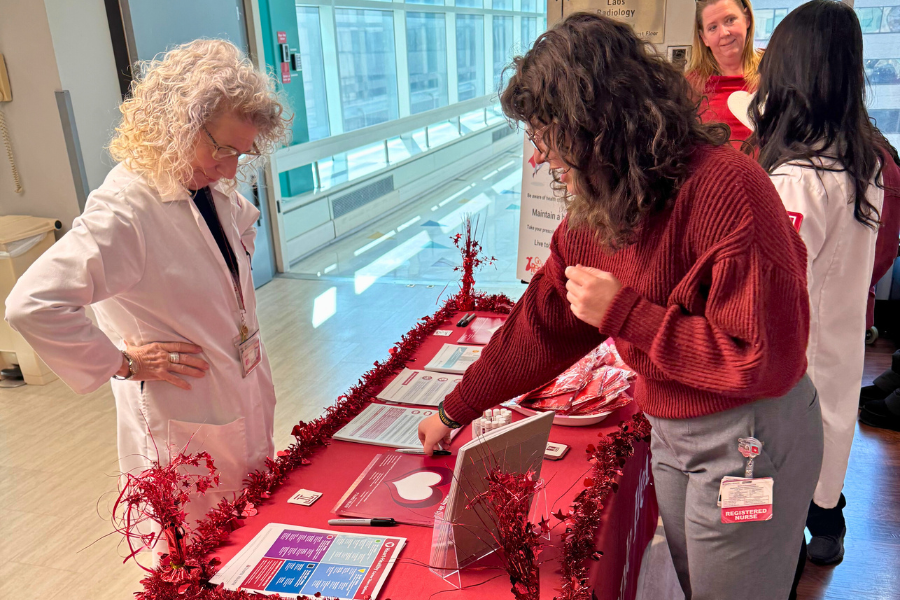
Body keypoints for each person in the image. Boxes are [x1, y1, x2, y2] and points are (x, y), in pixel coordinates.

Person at [419, 13, 822, 599]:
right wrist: (454, 410)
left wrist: (627, 314)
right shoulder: (603, 200)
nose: (538, 158)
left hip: (749, 433)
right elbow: (541, 327)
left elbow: (766, 359)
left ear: (599, 127)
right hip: (674, 427)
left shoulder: (727, 189)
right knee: (699, 585)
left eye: (548, 138)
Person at [5, 40, 289, 526]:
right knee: (191, 541)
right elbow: (33, 304)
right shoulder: (126, 209)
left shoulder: (206, 187)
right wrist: (123, 361)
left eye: (241, 154)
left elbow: (236, 233)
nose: (229, 169)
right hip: (180, 410)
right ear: (178, 123)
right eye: (221, 149)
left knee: (247, 523)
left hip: (237, 388)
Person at [748, 0, 887, 565]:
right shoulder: (862, 159)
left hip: (795, 365)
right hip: (838, 340)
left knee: (792, 467)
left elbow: (772, 296)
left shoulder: (798, 180)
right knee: (830, 443)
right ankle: (827, 519)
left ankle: (789, 547)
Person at [686, 0, 763, 147]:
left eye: (730, 20)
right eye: (713, 27)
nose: (724, 33)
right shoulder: (690, 87)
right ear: (704, 37)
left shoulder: (775, 72)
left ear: (747, 19)